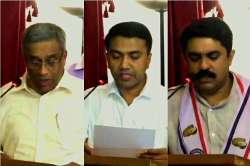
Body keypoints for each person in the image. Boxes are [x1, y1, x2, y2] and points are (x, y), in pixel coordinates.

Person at [0, 23, 85, 165]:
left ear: (64, 57)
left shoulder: (83, 96)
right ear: (25, 58)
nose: (43, 71)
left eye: (51, 62)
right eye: (35, 62)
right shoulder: (5, 96)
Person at [168, 17, 250, 159]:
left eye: (213, 56)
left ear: (230, 57)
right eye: (195, 57)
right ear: (185, 59)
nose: (204, 66)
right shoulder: (167, 104)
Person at [84, 22, 167, 159]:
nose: (124, 65)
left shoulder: (168, 101)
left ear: (148, 60)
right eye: (116, 56)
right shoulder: (88, 99)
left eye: (134, 57)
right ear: (107, 59)